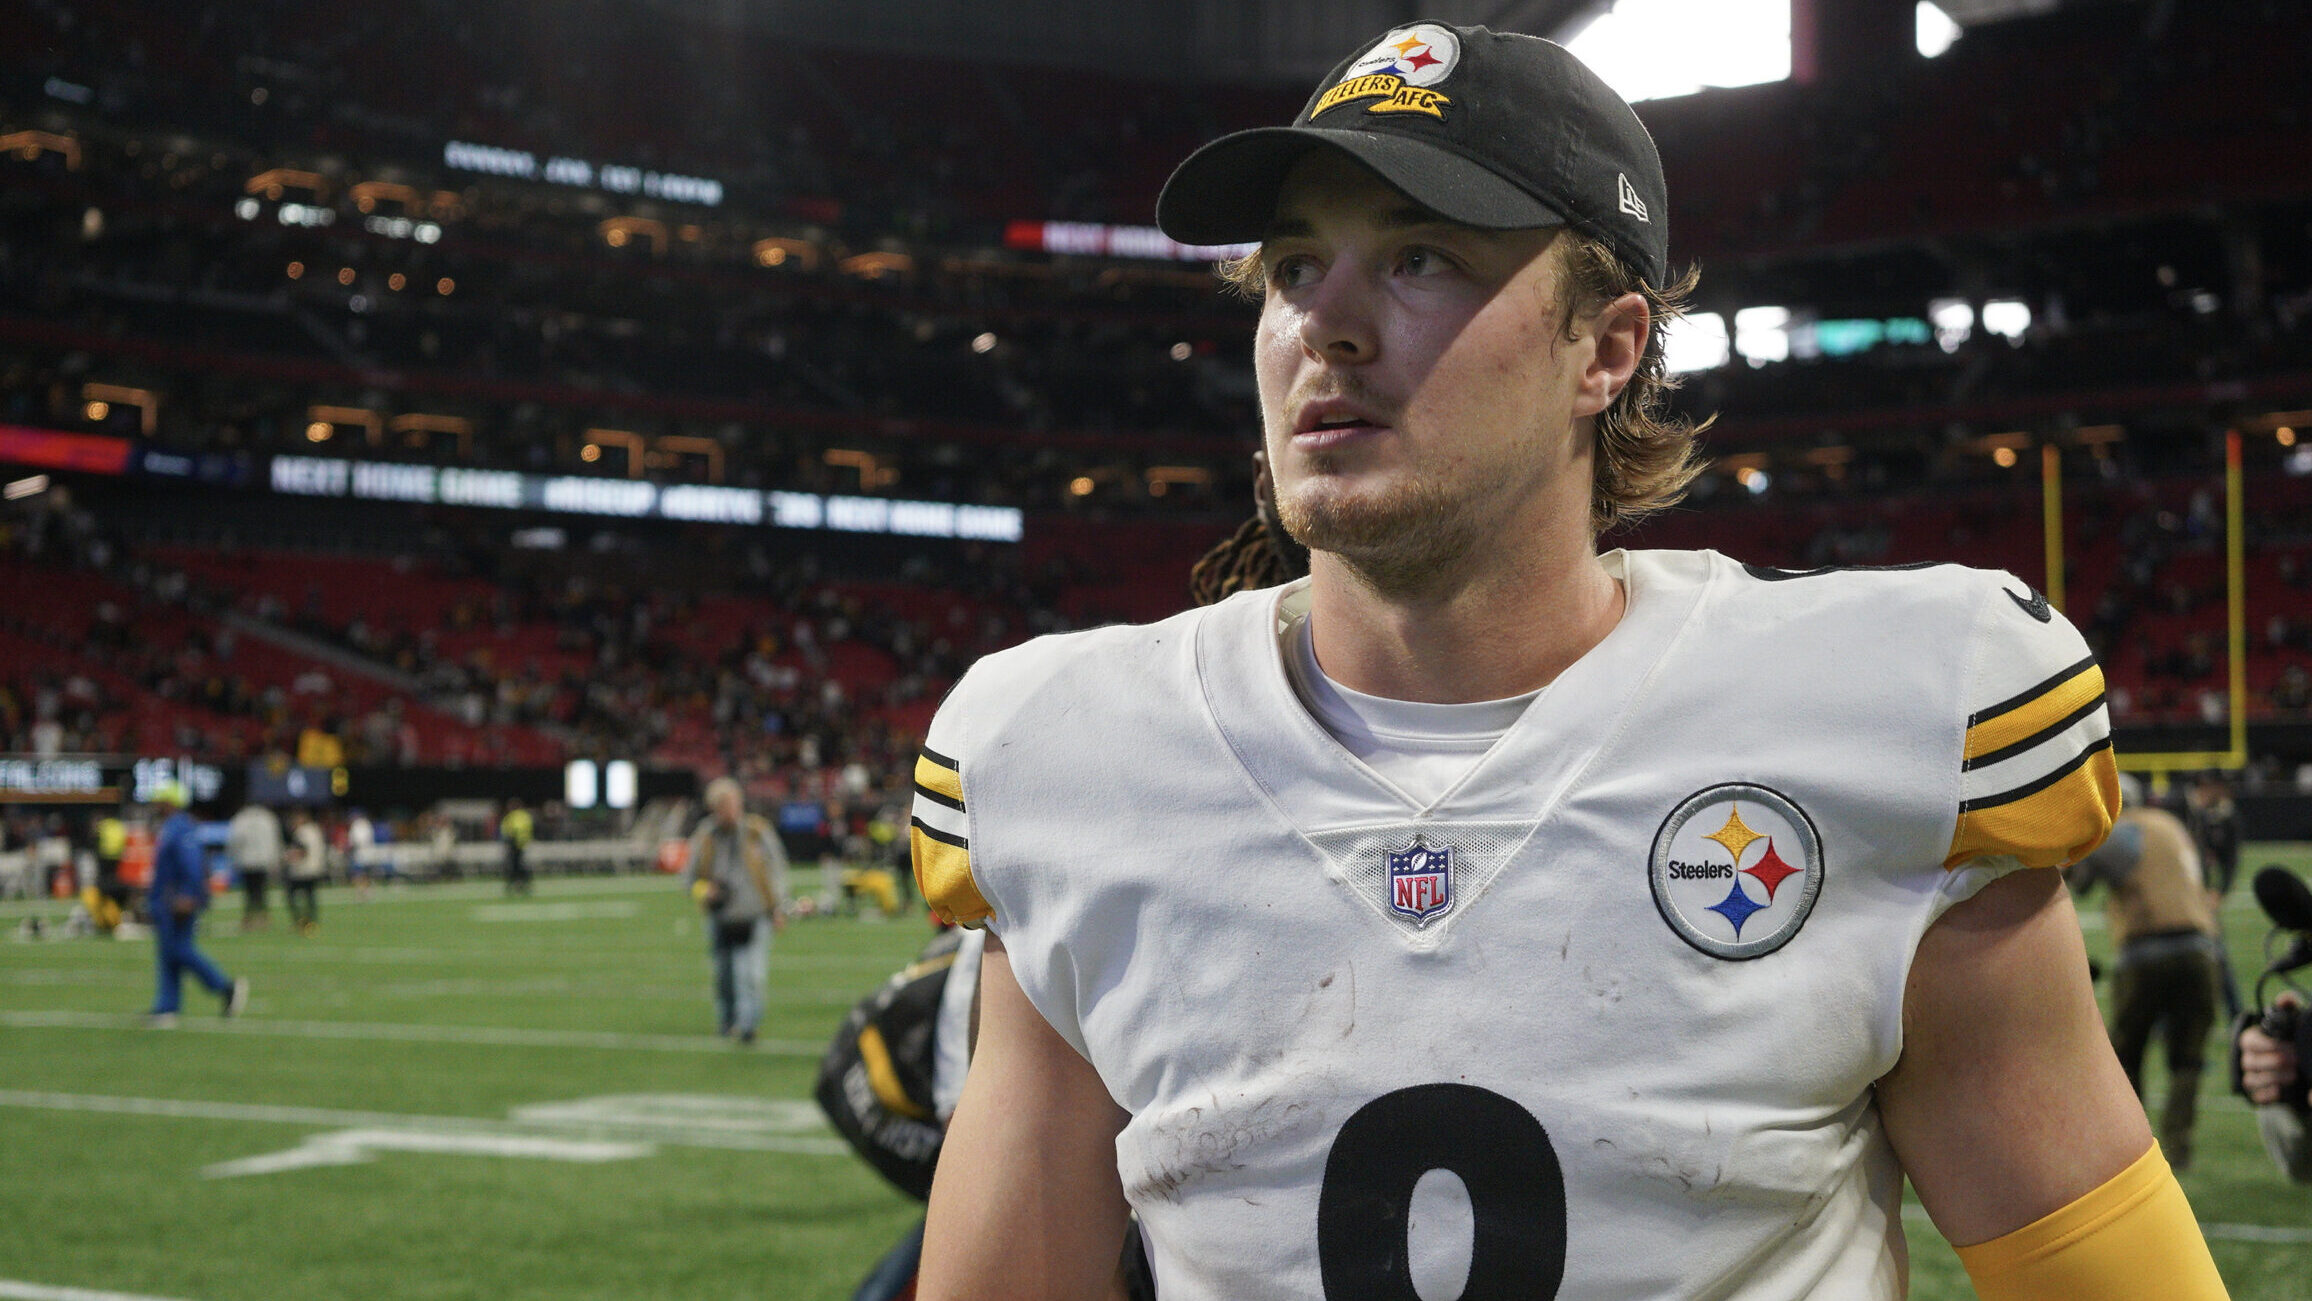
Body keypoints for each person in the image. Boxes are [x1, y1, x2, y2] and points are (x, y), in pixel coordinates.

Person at [913, 23, 2225, 1301]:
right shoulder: (1073, 756)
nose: (1328, 324)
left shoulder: (1876, 725)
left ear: (1606, 349)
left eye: (1419, 258)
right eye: (1296, 267)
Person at [2067, 774, 2222, 1171]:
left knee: (2125, 1055)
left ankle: (2133, 1150)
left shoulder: (2124, 831)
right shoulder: (2171, 826)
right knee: (2188, 1058)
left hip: (2147, 954)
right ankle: (2179, 1147)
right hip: (2202, 952)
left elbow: (2080, 881)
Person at [682, 777, 787, 1045]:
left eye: (732, 804)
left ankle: (748, 1025)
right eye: (723, 806)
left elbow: (776, 869)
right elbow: (688, 879)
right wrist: (705, 891)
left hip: (756, 914)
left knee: (750, 974)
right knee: (724, 976)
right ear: (714, 809)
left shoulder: (756, 831)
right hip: (721, 916)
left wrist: (778, 906)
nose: (729, 811)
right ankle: (727, 1021)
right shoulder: (705, 836)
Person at [145, 782, 247, 1027]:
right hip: (167, 899)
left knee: (178, 950)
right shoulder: (173, 827)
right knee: (169, 953)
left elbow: (191, 864)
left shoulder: (181, 828)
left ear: (168, 802)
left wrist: (189, 894)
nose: (155, 805)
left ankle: (224, 987)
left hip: (177, 900)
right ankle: (167, 1006)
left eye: (159, 801)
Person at [226, 801, 284, 931]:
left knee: (249, 892)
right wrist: (275, 859)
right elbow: (275, 840)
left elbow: (235, 840)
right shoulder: (268, 818)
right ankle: (263, 918)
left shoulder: (241, 819)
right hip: (263, 860)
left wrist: (232, 858)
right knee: (261, 891)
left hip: (246, 861)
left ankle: (249, 919)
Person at [283, 809, 327, 935]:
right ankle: (311, 921)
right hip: (315, 869)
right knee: (310, 896)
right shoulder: (316, 830)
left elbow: (301, 851)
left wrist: (287, 857)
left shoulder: (301, 832)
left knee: (291, 896)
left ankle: (300, 922)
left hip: (302, 871)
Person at [499, 799, 534, 896]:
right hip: (522, 844)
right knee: (519, 865)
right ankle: (522, 884)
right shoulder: (524, 816)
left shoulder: (512, 816)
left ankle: (515, 885)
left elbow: (506, 831)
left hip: (515, 845)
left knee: (515, 866)